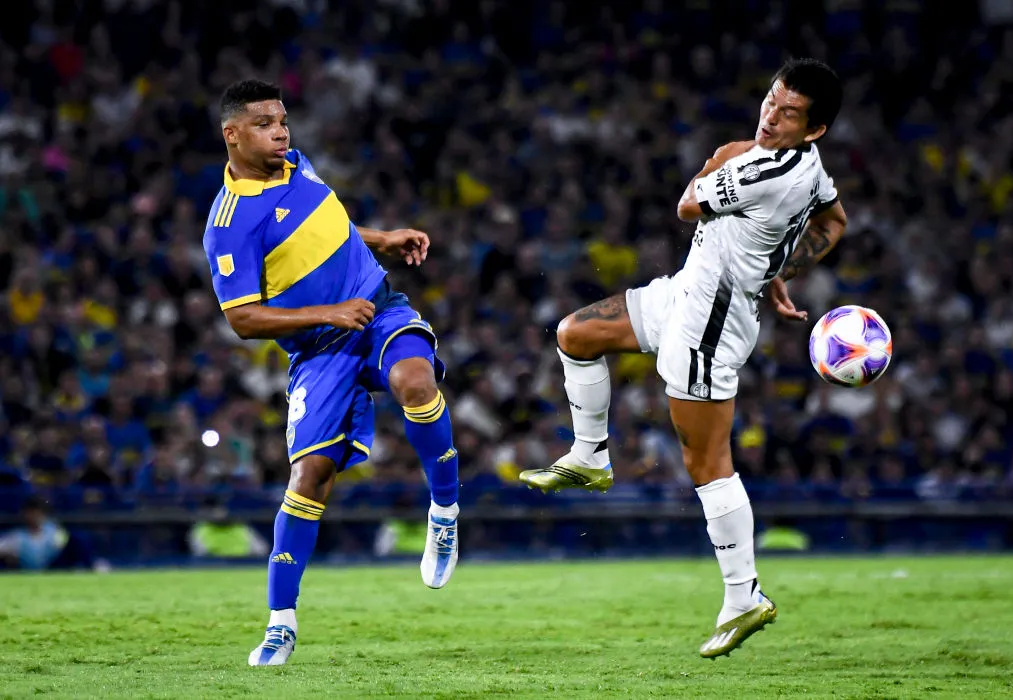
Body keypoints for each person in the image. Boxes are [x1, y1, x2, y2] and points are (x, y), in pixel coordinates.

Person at [520, 59, 847, 658]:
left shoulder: (758, 165)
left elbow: (687, 206)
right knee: (575, 335)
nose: (771, 117)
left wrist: (721, 158)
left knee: (708, 465)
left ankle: (743, 596)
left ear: (814, 130)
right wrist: (779, 268)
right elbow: (833, 218)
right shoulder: (811, 167)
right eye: (771, 101)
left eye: (789, 114)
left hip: (710, 324)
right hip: (686, 290)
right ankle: (591, 457)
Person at [204, 80, 461, 666]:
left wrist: (381, 239)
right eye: (265, 124)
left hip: (376, 309)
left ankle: (444, 512)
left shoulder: (296, 165)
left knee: (415, 382)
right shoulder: (229, 224)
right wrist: (329, 314)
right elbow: (243, 318)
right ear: (233, 135)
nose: (281, 133)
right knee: (309, 477)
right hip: (320, 348)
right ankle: (281, 623)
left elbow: (328, 225)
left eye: (283, 121)